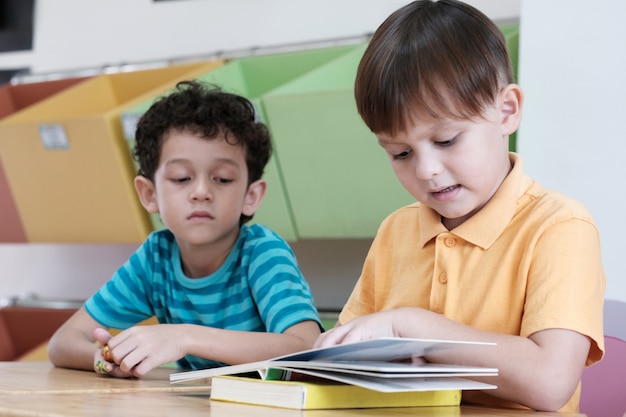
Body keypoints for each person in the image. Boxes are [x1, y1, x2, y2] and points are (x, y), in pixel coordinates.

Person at [314, 0, 605, 413]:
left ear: (506, 111)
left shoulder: (560, 226)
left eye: (447, 140)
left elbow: (550, 381)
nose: (427, 170)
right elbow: (342, 361)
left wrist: (413, 328)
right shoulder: (395, 231)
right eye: (400, 153)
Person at [48, 80, 322, 378]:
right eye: (181, 178)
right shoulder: (156, 257)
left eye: (223, 179)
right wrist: (108, 359)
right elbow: (63, 342)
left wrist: (184, 337)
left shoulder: (262, 252)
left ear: (251, 196)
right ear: (149, 195)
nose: (201, 192)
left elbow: (306, 348)